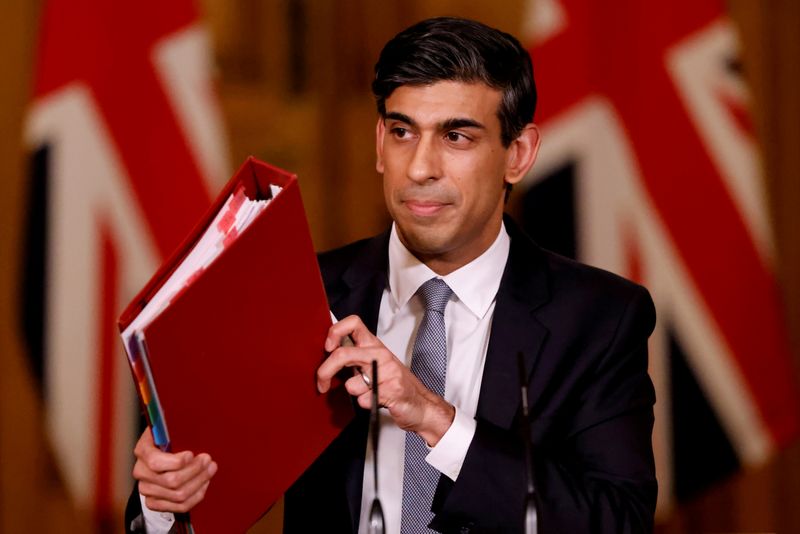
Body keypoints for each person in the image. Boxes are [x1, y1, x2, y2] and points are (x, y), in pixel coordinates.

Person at [127, 17, 657, 533]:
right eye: (403, 131)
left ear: (517, 154)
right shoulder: (304, 291)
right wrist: (165, 502)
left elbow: (617, 519)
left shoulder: (601, 318)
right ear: (380, 142)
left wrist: (434, 420)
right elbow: (205, 496)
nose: (421, 167)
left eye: (457, 137)